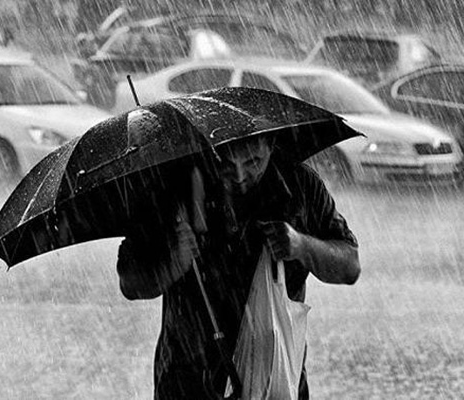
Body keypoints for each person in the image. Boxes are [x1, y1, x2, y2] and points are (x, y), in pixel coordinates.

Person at [116, 135, 360, 399]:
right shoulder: (172, 188)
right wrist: (172, 263)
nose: (240, 175)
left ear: (271, 145)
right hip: (188, 380)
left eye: (253, 162)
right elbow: (130, 284)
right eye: (226, 163)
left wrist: (302, 246)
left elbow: (349, 266)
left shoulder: (300, 186)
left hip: (274, 377)